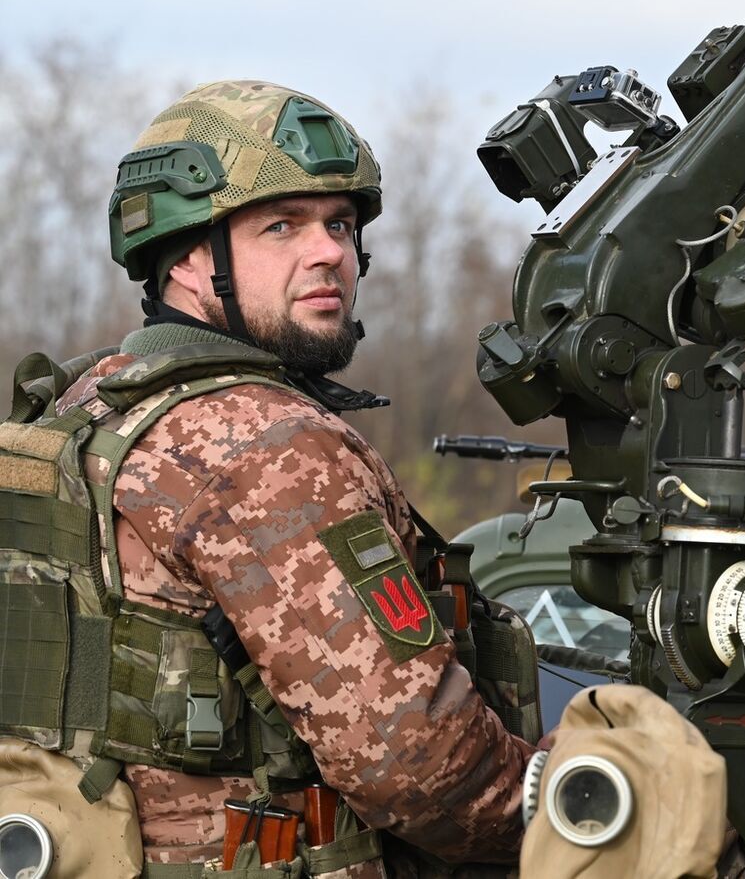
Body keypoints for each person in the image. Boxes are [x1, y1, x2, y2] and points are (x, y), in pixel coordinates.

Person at [0, 81, 538, 877]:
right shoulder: (268, 444)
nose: (330, 253)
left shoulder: (89, 406)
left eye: (341, 224)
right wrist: (578, 806)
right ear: (185, 257)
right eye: (280, 226)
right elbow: (421, 769)